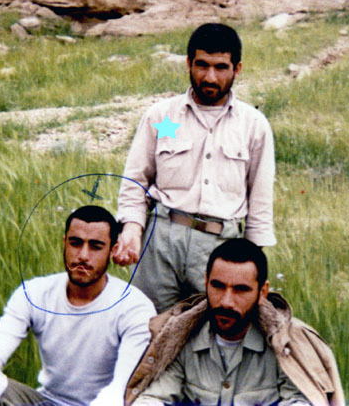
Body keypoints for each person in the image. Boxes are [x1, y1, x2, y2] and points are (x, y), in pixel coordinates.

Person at [114, 23, 276, 313]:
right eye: (202, 65)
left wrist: (252, 262)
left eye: (221, 67)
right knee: (146, 326)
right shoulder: (161, 116)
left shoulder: (253, 125)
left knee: (213, 330)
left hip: (220, 248)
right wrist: (131, 229)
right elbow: (135, 182)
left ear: (237, 69)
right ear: (189, 63)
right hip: (160, 242)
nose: (210, 77)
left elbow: (260, 201)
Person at [0, 205, 156, 406]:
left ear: (113, 249)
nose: (83, 256)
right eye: (76, 243)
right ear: (64, 243)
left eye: (95, 246)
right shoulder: (34, 293)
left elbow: (118, 390)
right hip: (46, 401)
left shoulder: (134, 307)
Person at [125, 239, 345, 406]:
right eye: (218, 286)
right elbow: (154, 397)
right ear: (206, 283)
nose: (226, 301)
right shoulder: (181, 336)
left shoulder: (285, 345)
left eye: (240, 290)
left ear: (262, 292)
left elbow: (301, 400)